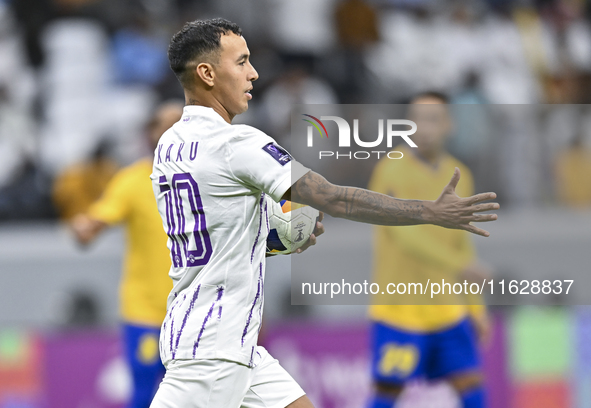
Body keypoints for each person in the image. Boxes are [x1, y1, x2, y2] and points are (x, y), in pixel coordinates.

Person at [149, 19, 499, 408]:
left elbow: (219, 235)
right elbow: (332, 198)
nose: (254, 73)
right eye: (242, 62)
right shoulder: (237, 144)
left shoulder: (169, 146)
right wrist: (429, 212)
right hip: (213, 349)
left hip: (227, 340)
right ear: (207, 73)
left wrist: (278, 239)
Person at [366, 92, 491, 408]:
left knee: (472, 389)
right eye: (417, 119)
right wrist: (457, 265)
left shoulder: (461, 173)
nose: (424, 128)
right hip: (400, 311)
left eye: (433, 119)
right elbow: (404, 236)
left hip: (447, 309)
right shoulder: (390, 169)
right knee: (387, 395)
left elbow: (463, 240)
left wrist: (475, 308)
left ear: (448, 124)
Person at [70, 101, 184, 408]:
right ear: (149, 133)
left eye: (179, 122)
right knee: (143, 394)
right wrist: (86, 228)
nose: (171, 130)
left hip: (193, 312)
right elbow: (101, 217)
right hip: (145, 311)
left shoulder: (209, 180)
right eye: (163, 123)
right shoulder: (132, 181)